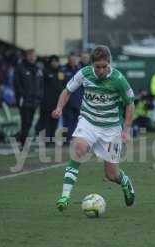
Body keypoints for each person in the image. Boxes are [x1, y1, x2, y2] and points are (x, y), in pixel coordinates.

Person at [52, 45, 136, 212]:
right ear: (92, 65)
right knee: (79, 149)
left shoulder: (118, 79)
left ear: (109, 64)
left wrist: (126, 129)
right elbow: (67, 91)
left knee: (111, 175)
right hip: (88, 122)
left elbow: (130, 104)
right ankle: (65, 196)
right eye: (98, 67)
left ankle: (125, 181)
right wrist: (59, 107)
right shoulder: (84, 73)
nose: (101, 70)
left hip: (111, 129)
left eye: (105, 66)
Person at [14, 49, 44, 147]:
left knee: (29, 123)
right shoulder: (20, 68)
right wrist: (22, 95)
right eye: (30, 55)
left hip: (34, 101)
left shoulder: (38, 69)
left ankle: (23, 141)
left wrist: (39, 96)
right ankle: (23, 144)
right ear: (26, 56)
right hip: (24, 100)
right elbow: (17, 83)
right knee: (25, 122)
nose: (32, 57)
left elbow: (41, 84)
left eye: (34, 56)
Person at [39, 55, 65, 145]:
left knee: (54, 123)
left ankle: (52, 140)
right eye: (53, 61)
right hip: (46, 103)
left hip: (57, 103)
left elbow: (63, 85)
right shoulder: (45, 72)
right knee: (46, 123)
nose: (55, 63)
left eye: (56, 61)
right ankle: (46, 141)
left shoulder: (61, 72)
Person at [62, 52, 82, 143]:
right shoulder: (63, 70)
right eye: (71, 59)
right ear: (68, 60)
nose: (73, 61)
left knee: (76, 121)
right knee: (67, 121)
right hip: (67, 101)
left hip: (78, 100)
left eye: (75, 59)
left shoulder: (80, 70)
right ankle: (66, 140)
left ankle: (74, 139)